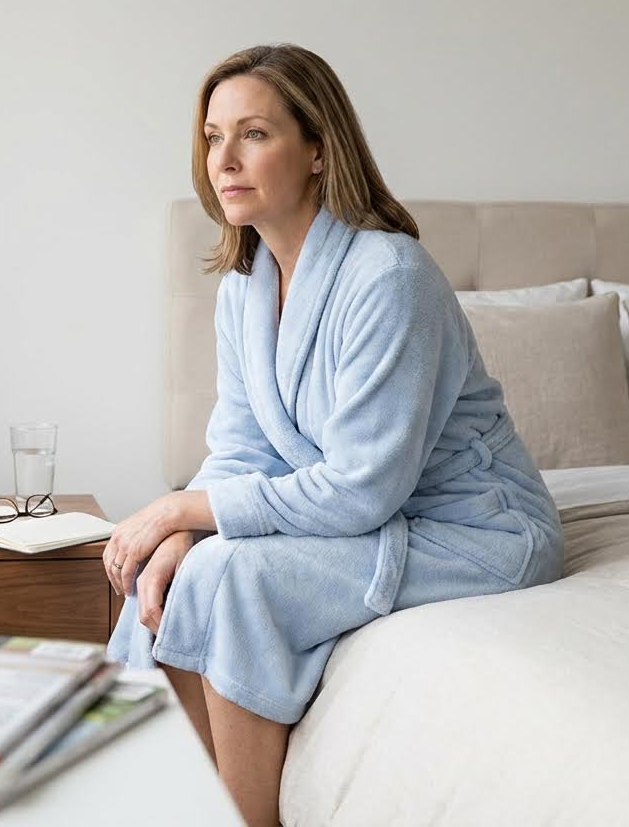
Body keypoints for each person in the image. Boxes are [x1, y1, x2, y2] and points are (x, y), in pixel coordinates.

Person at [102, 44, 565, 827]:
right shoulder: (243, 286)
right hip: (376, 517)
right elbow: (243, 447)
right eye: (213, 137)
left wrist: (185, 512)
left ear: (318, 149)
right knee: (171, 571)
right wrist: (180, 532)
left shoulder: (391, 277)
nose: (225, 158)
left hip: (473, 531)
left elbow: (362, 487)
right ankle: (178, 805)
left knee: (232, 580)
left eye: (253, 133)